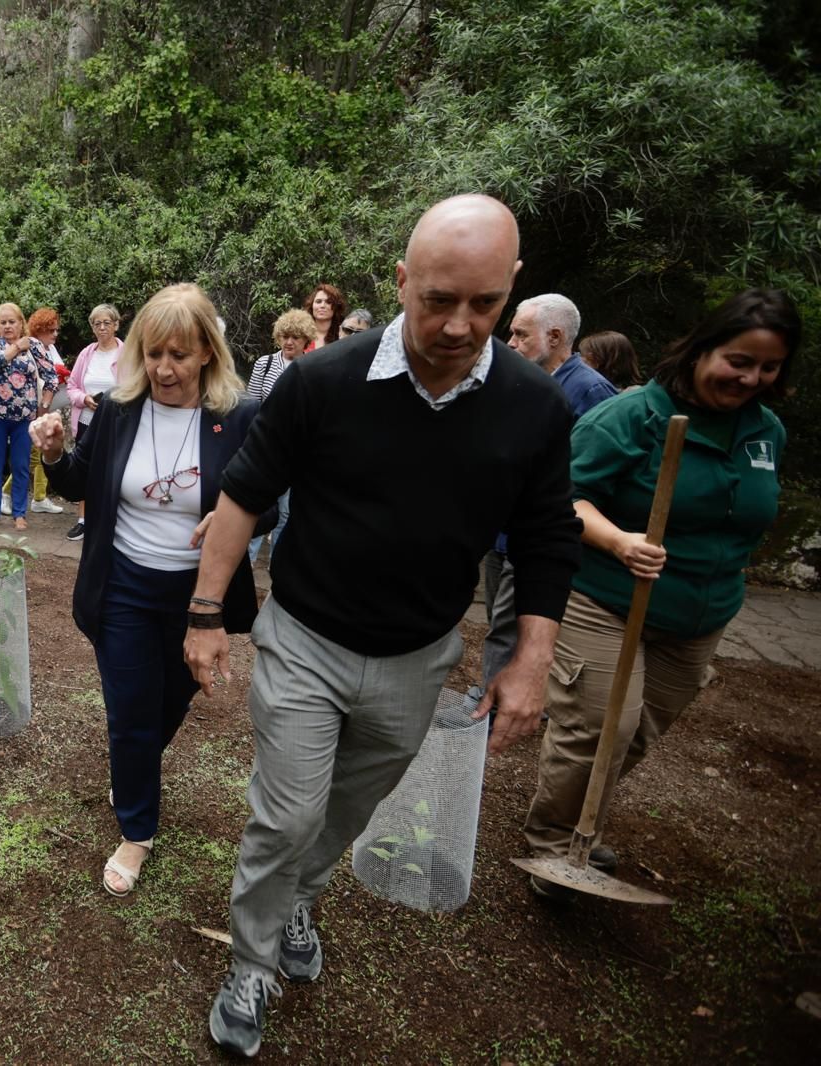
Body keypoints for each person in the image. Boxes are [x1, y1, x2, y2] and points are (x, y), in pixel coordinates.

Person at [188, 195, 582, 1058]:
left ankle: (297, 899)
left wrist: (532, 655)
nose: (458, 324)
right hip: (305, 641)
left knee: (344, 813)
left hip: (418, 658)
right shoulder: (323, 382)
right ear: (401, 282)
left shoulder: (534, 407)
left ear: (512, 291)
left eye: (483, 304)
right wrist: (208, 613)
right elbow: (244, 496)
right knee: (287, 814)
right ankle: (252, 960)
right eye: (437, 299)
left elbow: (550, 533)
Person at [523, 289, 799, 898]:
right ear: (703, 350)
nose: (751, 377)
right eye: (738, 360)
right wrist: (620, 540)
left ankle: (583, 821)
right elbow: (562, 498)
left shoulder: (764, 431)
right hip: (604, 597)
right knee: (601, 726)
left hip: (702, 615)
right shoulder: (633, 416)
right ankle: (553, 846)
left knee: (639, 732)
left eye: (768, 367)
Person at [32, 283, 269, 897]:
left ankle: (133, 764)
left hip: (200, 595)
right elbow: (78, 480)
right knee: (133, 712)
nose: (165, 369)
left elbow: (264, 503)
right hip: (124, 587)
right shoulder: (119, 407)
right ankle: (137, 830)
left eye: (180, 356)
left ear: (207, 356)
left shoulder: (237, 416)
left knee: (175, 697)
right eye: (154, 353)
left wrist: (235, 517)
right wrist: (56, 453)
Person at [476, 294, 622, 692]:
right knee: (499, 621)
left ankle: (496, 707)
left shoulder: (592, 394)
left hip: (532, 537)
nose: (511, 342)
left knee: (513, 627)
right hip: (499, 530)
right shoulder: (520, 380)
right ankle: (499, 690)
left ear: (555, 337)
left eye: (521, 334)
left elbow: (587, 478)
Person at [244, 309, 315, 564]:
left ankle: (277, 568)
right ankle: (245, 566)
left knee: (285, 514)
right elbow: (250, 405)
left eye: (295, 337)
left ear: (306, 339)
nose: (289, 342)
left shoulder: (313, 366)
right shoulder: (265, 363)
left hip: (295, 453)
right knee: (256, 508)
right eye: (285, 336)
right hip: (263, 447)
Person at [0, 303, 57, 531]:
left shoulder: (33, 346)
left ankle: (19, 514)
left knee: (21, 466)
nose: (7, 326)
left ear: (21, 323)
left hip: (24, 417)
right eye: (2, 322)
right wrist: (16, 348)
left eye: (11, 321)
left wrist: (44, 406)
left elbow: (51, 377)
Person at [64, 304, 124, 542]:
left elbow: (135, 389)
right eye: (97, 323)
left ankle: (112, 521)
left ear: (116, 325)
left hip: (116, 425)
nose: (102, 328)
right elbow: (72, 386)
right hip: (87, 423)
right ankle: (83, 520)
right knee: (84, 472)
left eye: (107, 323)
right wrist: (84, 399)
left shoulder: (128, 353)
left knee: (114, 473)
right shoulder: (87, 353)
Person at [1, 309, 67, 517]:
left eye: (56, 330)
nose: (55, 334)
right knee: (31, 455)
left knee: (40, 452)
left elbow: (54, 376)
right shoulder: (29, 347)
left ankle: (39, 497)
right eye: (51, 330)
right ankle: (6, 494)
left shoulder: (50, 348)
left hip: (47, 406)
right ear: (40, 329)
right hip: (31, 407)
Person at [303, 283, 348, 350]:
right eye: (318, 302)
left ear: (336, 307)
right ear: (312, 306)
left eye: (328, 302)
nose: (322, 305)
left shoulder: (344, 335)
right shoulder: (302, 334)